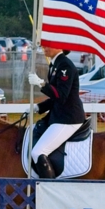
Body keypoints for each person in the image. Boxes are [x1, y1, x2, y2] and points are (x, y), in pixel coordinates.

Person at [27, 45, 85, 178]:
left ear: (60, 46)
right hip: (58, 116)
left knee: (38, 152)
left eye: (48, 44)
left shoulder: (65, 66)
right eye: (43, 44)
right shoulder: (55, 65)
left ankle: (50, 189)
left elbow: (61, 95)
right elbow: (55, 98)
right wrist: (39, 107)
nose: (44, 48)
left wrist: (41, 84)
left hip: (68, 118)